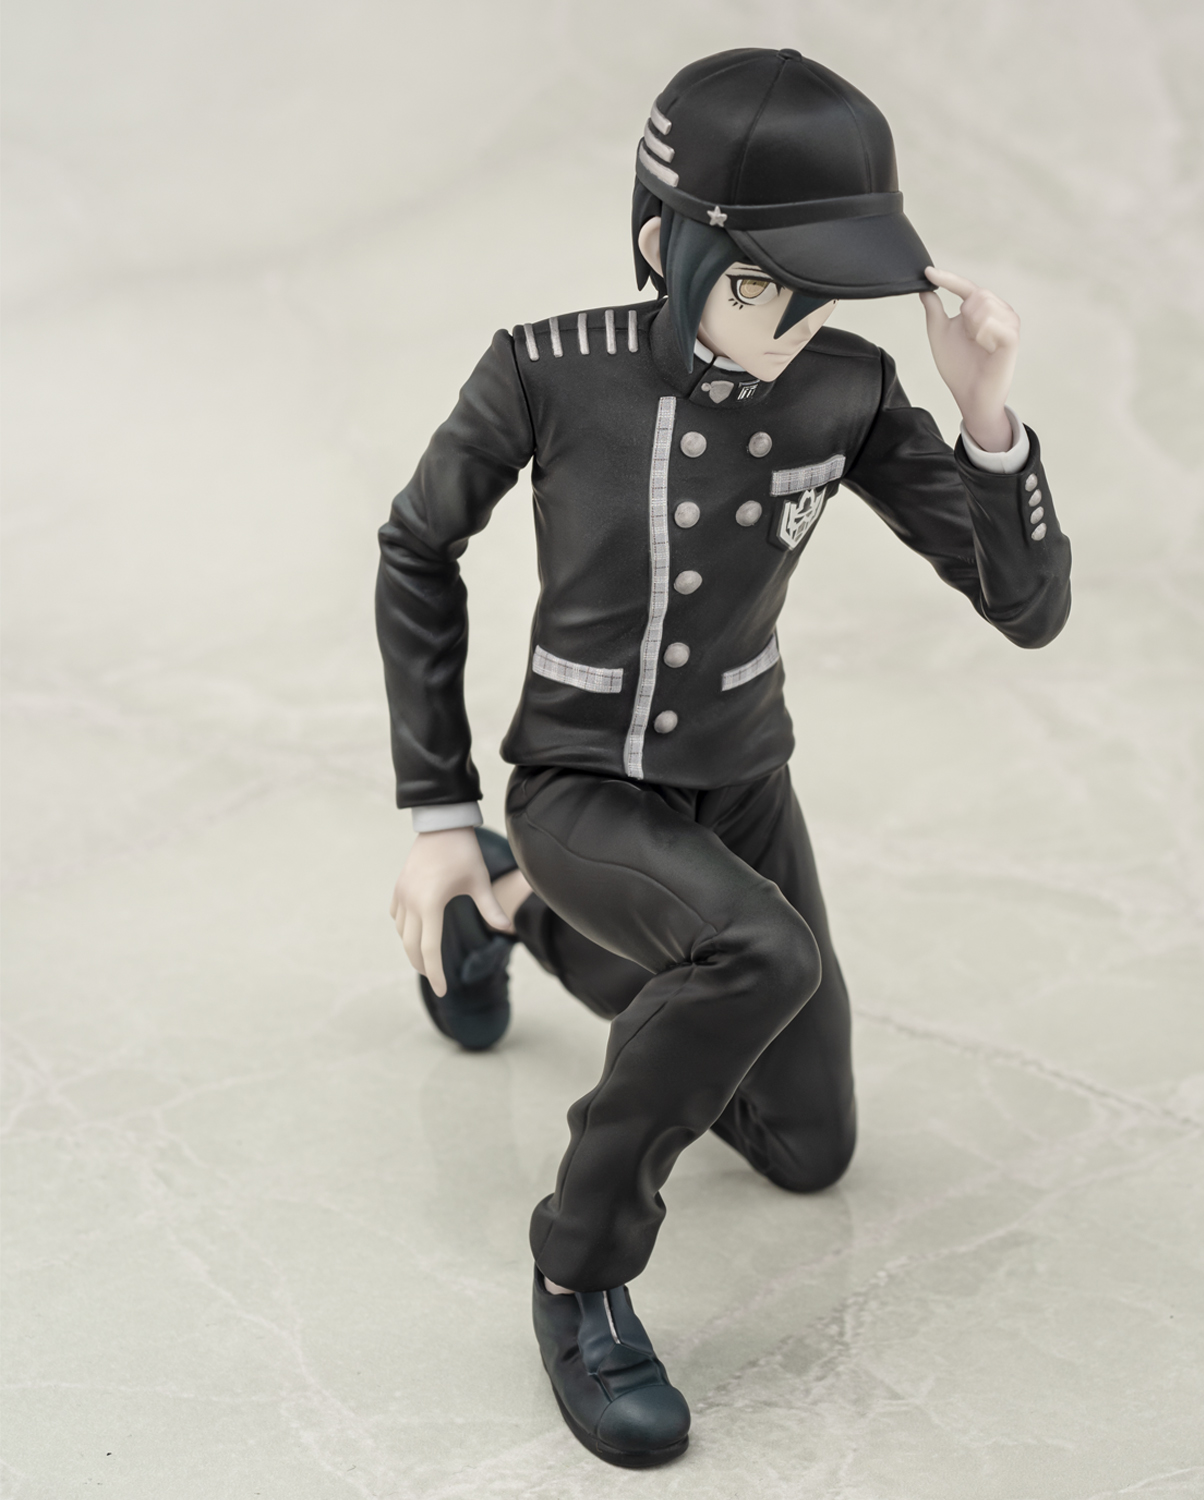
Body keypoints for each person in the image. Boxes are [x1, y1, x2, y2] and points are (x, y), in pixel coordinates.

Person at [376, 47, 1071, 1468]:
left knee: (808, 1147)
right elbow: (416, 546)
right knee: (759, 956)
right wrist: (440, 808)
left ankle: (514, 915)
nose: (796, 322)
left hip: (743, 778)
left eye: (823, 294)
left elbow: (1025, 606)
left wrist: (986, 413)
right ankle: (579, 1268)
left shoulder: (847, 391)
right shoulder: (547, 370)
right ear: (664, 250)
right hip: (582, 778)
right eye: (763, 286)